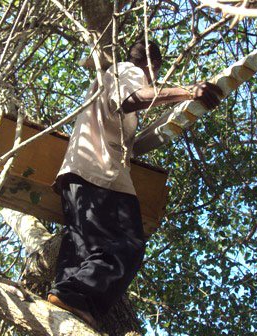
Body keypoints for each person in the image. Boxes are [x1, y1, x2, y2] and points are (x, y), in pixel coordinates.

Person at [47, 39, 222, 327]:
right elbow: (130, 98)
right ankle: (76, 294)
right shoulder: (128, 70)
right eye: (155, 73)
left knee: (80, 252)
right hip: (100, 175)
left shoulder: (104, 80)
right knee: (126, 244)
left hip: (75, 177)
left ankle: (66, 300)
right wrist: (189, 91)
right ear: (152, 67)